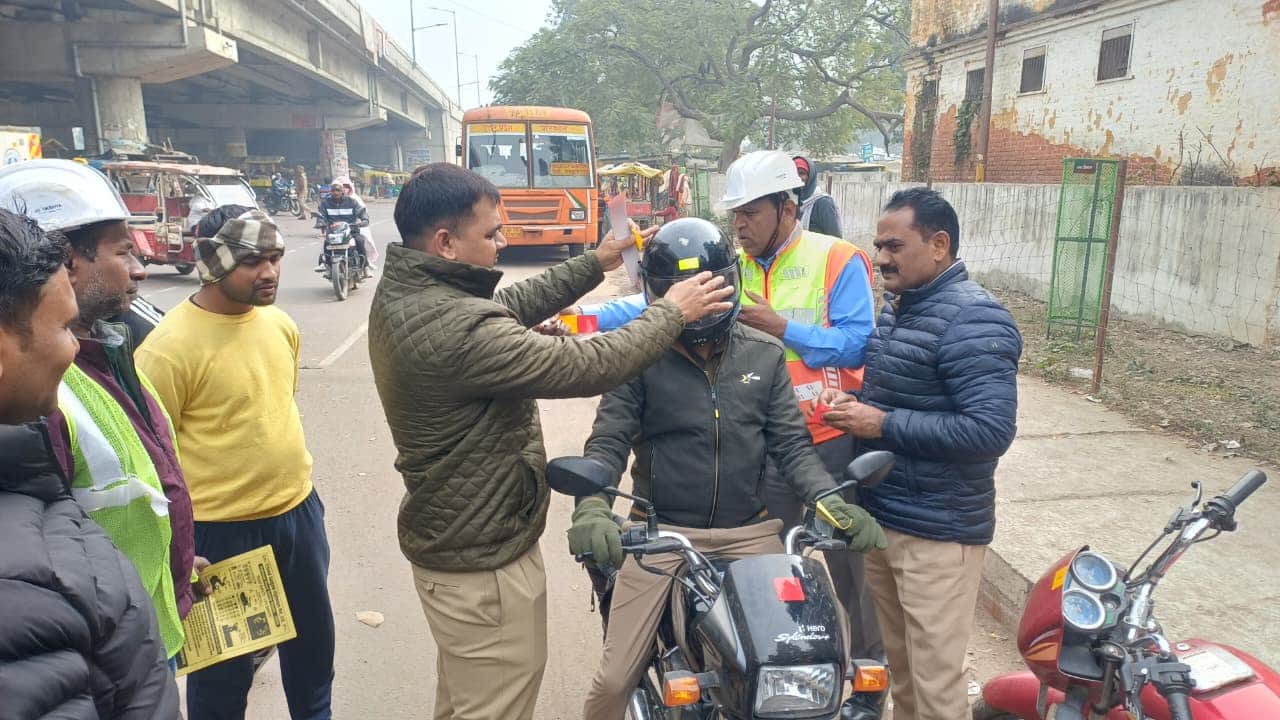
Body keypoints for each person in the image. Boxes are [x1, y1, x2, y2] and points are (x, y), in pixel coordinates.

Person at [367, 163, 735, 720]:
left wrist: (599, 260)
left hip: (459, 537)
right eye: (491, 234)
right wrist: (670, 311)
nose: (503, 242)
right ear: (445, 242)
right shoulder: (453, 327)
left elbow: (509, 307)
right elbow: (590, 364)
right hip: (481, 561)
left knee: (468, 698)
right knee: (494, 705)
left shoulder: (416, 293)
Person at [565, 151, 883, 716]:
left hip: (751, 536)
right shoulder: (641, 357)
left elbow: (790, 445)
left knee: (806, 656)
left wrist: (830, 502)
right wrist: (592, 506)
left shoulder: (762, 353)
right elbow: (608, 443)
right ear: (659, 297)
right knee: (613, 684)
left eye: (713, 286)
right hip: (662, 537)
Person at [819, 188, 1022, 720]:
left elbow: (988, 431)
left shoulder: (975, 320)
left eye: (893, 245)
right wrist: (857, 405)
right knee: (903, 673)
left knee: (934, 685)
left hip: (938, 531)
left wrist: (880, 422)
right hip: (886, 520)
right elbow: (906, 397)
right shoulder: (901, 309)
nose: (881, 257)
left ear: (938, 245)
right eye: (878, 245)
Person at [137, 206, 336, 720]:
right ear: (214, 263)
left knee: (313, 660)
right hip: (221, 536)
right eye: (252, 261)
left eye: (275, 258)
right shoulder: (169, 347)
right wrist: (179, 552)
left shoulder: (280, 326)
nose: (269, 272)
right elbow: (153, 458)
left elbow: (275, 405)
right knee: (223, 681)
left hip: (298, 516)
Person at [0, 158, 200, 667]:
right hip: (103, 660)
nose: (138, 269)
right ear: (64, 262)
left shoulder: (112, 349)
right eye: (123, 251)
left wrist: (175, 563)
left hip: (139, 635)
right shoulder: (40, 394)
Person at [314, 180, 372, 273]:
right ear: (330, 192)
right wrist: (320, 222)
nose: (335, 193)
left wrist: (364, 220)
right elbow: (321, 215)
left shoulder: (352, 202)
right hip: (333, 232)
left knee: (360, 241)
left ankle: (365, 267)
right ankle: (325, 264)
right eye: (333, 190)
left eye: (338, 190)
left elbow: (361, 212)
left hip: (351, 230)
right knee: (326, 244)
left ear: (342, 191)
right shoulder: (325, 203)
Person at [793, 155, 843, 238]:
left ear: (811, 176)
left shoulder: (824, 203)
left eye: (802, 173)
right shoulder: (788, 202)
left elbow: (836, 239)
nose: (798, 178)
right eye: (794, 173)